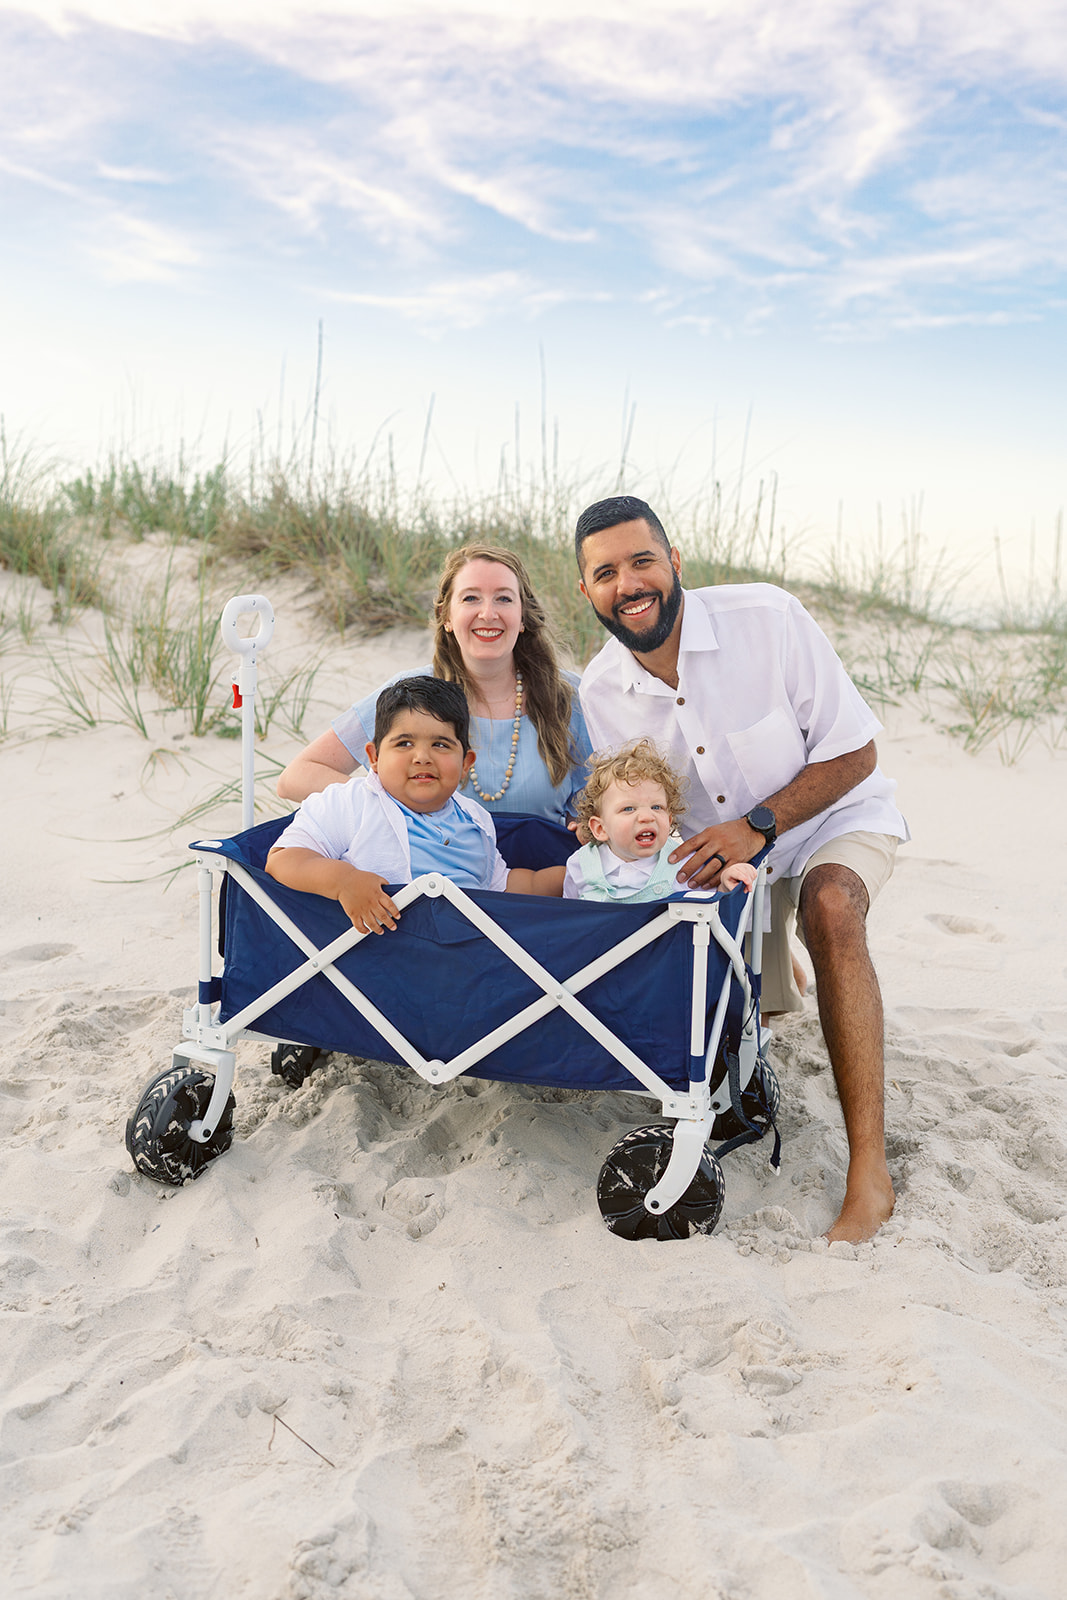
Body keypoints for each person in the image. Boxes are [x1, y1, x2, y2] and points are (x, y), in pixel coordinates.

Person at [573, 494, 909, 1244]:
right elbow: (642, 813)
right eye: (605, 572)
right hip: (723, 859)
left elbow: (855, 753)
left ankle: (869, 1171)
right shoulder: (600, 689)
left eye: (641, 561)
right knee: (691, 953)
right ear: (587, 590)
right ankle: (775, 957)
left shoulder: (768, 618)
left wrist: (757, 826)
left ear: (674, 563)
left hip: (831, 816)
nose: (628, 583)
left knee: (829, 908)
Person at [276, 544, 592, 826]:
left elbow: (599, 807)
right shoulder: (411, 695)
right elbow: (296, 777)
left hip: (537, 885)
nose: (488, 613)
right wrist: (389, 800)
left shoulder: (569, 697)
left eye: (504, 598)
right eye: (470, 598)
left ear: (523, 616)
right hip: (436, 883)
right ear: (446, 616)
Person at [266, 677, 565, 935]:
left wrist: (578, 873)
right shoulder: (350, 802)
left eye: (441, 744)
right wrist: (344, 881)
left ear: (465, 764)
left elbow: (504, 887)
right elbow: (282, 859)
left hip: (466, 962)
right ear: (374, 757)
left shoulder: (475, 820)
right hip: (381, 963)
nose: (422, 756)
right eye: (404, 743)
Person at [564, 738, 756, 903]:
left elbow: (708, 914)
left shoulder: (684, 865)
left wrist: (725, 883)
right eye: (628, 809)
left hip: (667, 946)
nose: (648, 817)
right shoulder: (581, 864)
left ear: (670, 819)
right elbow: (572, 920)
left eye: (657, 807)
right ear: (600, 828)